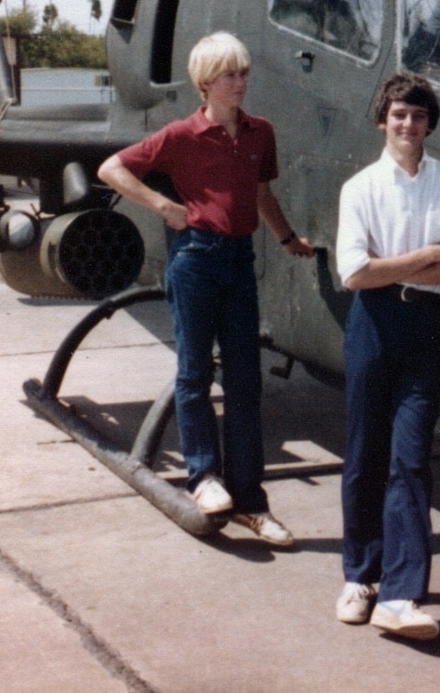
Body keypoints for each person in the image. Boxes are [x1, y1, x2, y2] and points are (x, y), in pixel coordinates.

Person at [97, 32, 315, 547]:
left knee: (245, 381)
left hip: (240, 259)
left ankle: (252, 503)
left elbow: (261, 189)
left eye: (243, 74)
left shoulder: (260, 132)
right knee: (194, 372)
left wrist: (285, 237)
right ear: (205, 83)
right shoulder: (181, 135)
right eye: (228, 76)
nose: (239, 84)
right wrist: (162, 206)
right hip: (194, 259)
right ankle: (204, 479)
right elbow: (112, 168)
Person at [333, 73, 440, 640]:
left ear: (429, 124)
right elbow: (354, 274)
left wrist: (390, 264)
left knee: (411, 458)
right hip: (372, 325)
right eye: (399, 114)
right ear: (382, 120)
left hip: (428, 325)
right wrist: (426, 254)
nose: (408, 124)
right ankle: (359, 578)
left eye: (418, 116)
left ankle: (401, 595)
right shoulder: (360, 188)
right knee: (364, 453)